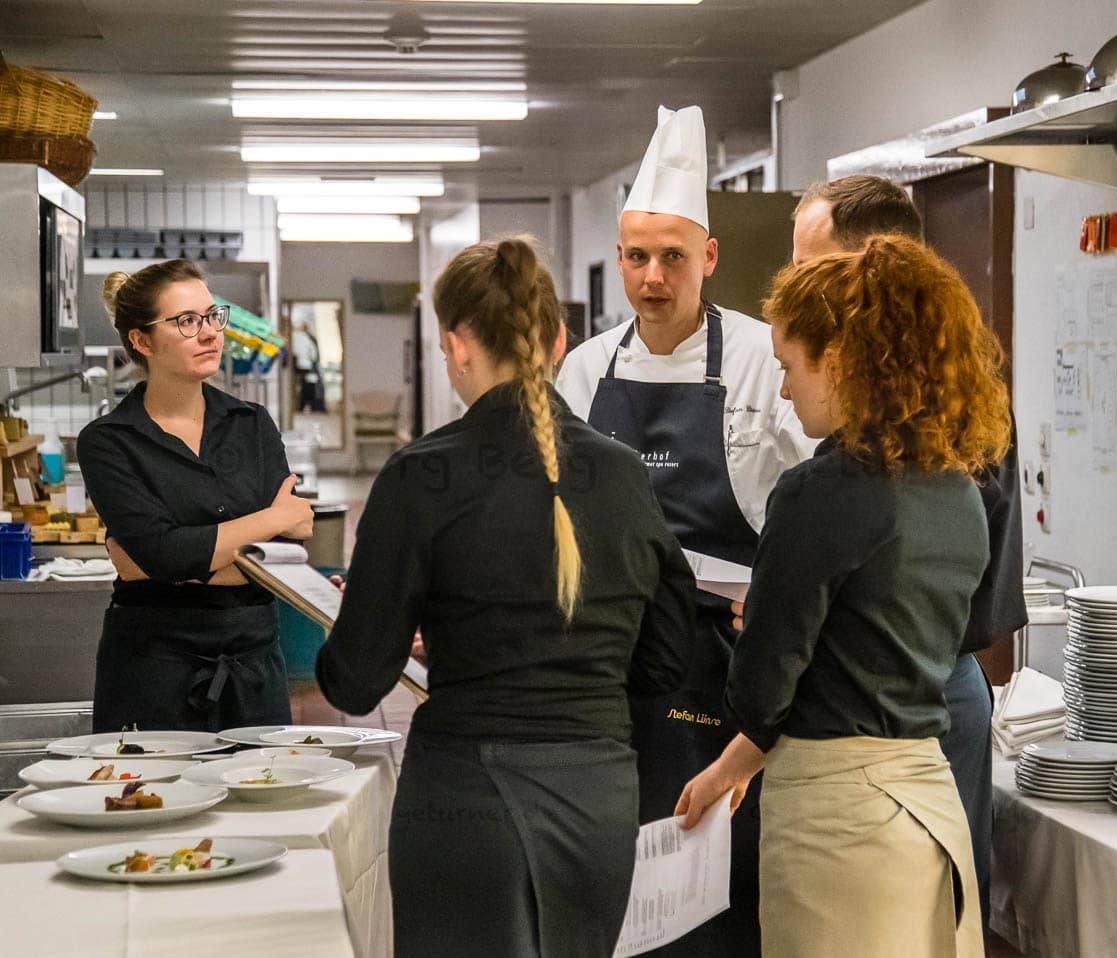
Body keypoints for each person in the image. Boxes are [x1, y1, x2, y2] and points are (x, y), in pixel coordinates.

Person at [316, 237, 698, 958]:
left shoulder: (420, 477)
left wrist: (377, 618)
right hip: (599, 802)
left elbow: (356, 680)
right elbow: (665, 657)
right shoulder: (623, 474)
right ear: (558, 342)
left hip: (465, 801)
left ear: (458, 346)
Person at [676, 235, 1011, 958]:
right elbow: (864, 656)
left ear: (841, 361)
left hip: (841, 827)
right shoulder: (958, 491)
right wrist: (731, 768)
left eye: (789, 366)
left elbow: (761, 689)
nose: (784, 390)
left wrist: (762, 616)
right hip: (926, 807)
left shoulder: (818, 493)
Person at [556, 104, 814, 958]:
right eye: (637, 257)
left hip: (728, 662)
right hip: (614, 660)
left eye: (673, 256)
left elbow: (820, 505)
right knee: (618, 870)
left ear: (709, 256)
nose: (653, 277)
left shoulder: (763, 360)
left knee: (725, 880)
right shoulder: (583, 371)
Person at [792, 174, 1028, 927]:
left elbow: (948, 584)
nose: (796, 285)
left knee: (932, 918)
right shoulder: (832, 380)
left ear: (872, 268)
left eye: (812, 267)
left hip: (919, 696)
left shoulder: (948, 389)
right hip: (883, 691)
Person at [77, 259, 313, 733]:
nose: (209, 333)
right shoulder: (108, 441)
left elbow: (293, 544)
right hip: (154, 670)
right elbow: (165, 553)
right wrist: (271, 519)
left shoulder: (252, 423)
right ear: (142, 341)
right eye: (186, 321)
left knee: (265, 782)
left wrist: (169, 561)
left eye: (212, 316)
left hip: (253, 666)